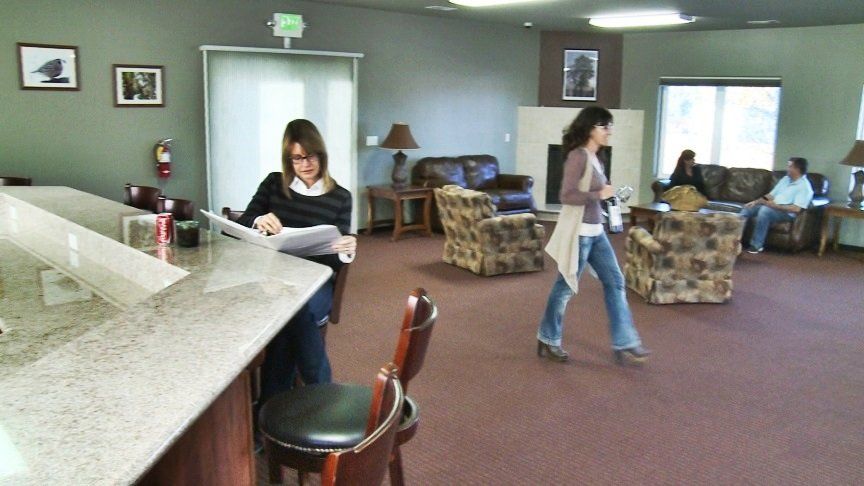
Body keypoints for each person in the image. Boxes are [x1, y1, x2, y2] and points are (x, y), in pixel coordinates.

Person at [237, 119, 356, 403]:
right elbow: (242, 223)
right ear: (288, 159)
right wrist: (257, 220)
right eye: (297, 158)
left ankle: (271, 406)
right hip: (273, 276)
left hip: (317, 280)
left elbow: (336, 261)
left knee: (293, 310)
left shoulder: (341, 197)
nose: (305, 164)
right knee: (291, 312)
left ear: (322, 155)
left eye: (311, 156)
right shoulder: (274, 184)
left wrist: (346, 247)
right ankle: (322, 398)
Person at [537, 106, 650, 366]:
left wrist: (607, 197)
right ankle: (548, 337)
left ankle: (625, 340)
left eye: (610, 126)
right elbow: (566, 196)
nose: (609, 131)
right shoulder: (578, 156)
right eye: (604, 126)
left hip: (596, 231)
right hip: (580, 234)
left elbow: (595, 195)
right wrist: (598, 195)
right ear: (590, 128)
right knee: (565, 287)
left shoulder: (597, 157)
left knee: (616, 281)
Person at [740, 157, 813, 254]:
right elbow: (771, 195)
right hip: (772, 206)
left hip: (786, 213)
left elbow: (796, 209)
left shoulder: (805, 187)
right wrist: (755, 202)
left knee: (765, 211)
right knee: (746, 209)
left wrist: (774, 206)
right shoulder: (785, 179)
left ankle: (757, 245)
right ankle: (736, 240)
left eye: (790, 166)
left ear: (797, 169)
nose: (787, 168)